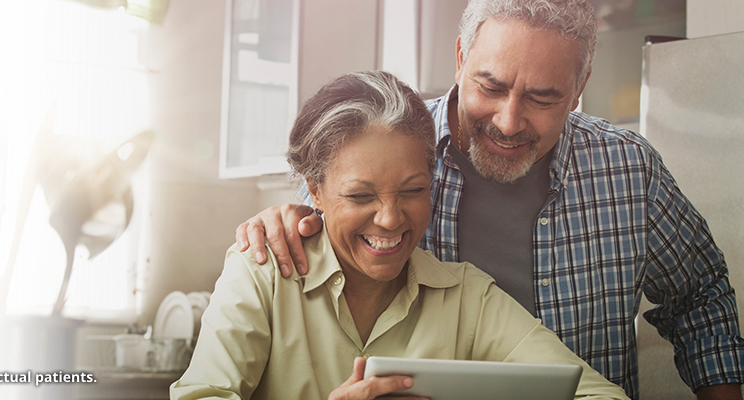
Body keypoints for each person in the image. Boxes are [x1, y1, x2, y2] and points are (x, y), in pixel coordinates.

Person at [234, 1, 744, 400]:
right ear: (460, 58)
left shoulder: (630, 170)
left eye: (543, 98)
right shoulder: (383, 147)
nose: (507, 119)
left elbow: (700, 295)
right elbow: (313, 238)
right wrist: (282, 221)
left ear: (580, 86)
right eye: (491, 86)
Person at [171, 71, 629, 400]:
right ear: (315, 190)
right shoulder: (263, 272)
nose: (390, 219)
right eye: (360, 196)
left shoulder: (467, 298)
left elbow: (599, 396)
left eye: (413, 191)